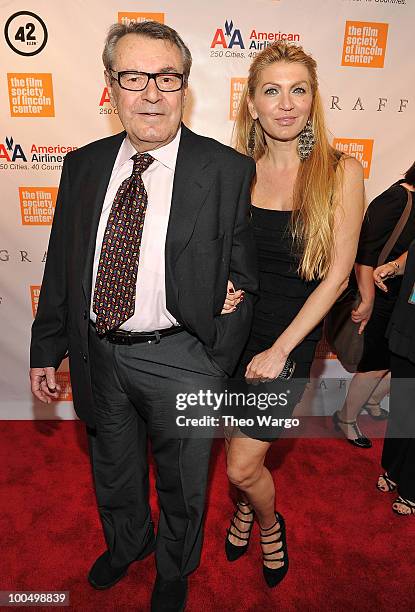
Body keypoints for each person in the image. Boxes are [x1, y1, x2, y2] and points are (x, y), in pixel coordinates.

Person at [29, 21, 258, 612]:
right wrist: (45, 348)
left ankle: (176, 568)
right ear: (111, 86)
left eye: (166, 77)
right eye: (134, 77)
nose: (150, 93)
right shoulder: (82, 166)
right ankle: (128, 543)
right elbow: (62, 266)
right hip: (99, 351)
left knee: (184, 480)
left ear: (185, 87)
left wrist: (213, 363)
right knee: (111, 466)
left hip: (184, 356)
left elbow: (246, 276)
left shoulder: (226, 170)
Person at [224, 42, 364, 587]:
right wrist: (224, 293)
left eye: (298, 90)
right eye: (272, 90)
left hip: (291, 336)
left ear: (313, 101)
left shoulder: (339, 171)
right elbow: (227, 255)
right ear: (252, 105)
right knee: (239, 448)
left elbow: (336, 276)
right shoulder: (237, 171)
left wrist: (281, 349)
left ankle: (266, 520)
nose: (286, 103)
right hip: (234, 333)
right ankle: (247, 503)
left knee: (238, 466)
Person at [333, 162, 415, 447]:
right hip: (379, 294)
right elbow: (364, 251)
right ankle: (345, 417)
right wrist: (367, 298)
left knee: (400, 359)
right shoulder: (399, 198)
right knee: (376, 363)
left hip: (402, 298)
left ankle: (373, 400)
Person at [373, 242, 415, 516]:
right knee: (403, 405)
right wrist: (394, 266)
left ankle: (412, 486)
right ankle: (395, 469)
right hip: (409, 325)